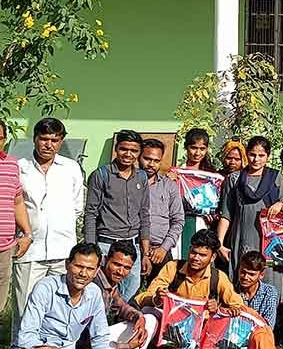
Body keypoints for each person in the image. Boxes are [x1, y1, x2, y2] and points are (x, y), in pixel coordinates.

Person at [135, 229, 244, 349]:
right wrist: (157, 299)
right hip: (170, 331)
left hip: (201, 337)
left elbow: (238, 307)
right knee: (149, 312)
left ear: (213, 257)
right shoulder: (172, 268)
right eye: (193, 252)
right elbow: (143, 298)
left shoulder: (218, 277)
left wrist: (218, 309)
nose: (196, 258)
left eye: (202, 255)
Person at [14, 118, 82, 336]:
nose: (48, 144)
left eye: (54, 140)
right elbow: (13, 205)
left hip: (62, 251)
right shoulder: (20, 167)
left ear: (61, 142)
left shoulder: (71, 168)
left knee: (58, 309)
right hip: (29, 251)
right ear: (34, 139)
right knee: (25, 308)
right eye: (44, 139)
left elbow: (77, 206)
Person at [83, 240, 159, 349]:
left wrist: (138, 318)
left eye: (126, 268)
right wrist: (127, 346)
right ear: (105, 260)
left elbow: (121, 306)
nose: (120, 271)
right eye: (116, 264)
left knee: (149, 320)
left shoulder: (109, 284)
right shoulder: (93, 286)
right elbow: (90, 342)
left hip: (99, 344)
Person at [84, 129, 150, 300]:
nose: (128, 154)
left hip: (133, 247)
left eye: (134, 150)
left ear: (139, 153)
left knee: (131, 293)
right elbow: (90, 213)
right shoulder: (101, 175)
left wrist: (145, 253)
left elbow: (144, 214)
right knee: (102, 295)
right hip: (106, 245)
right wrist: (91, 250)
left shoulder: (142, 177)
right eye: (123, 149)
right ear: (116, 148)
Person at [217, 135, 283, 281]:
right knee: (244, 277)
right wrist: (220, 243)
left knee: (269, 279)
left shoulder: (275, 177)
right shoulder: (234, 179)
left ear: (268, 156)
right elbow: (226, 214)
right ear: (246, 154)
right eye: (252, 155)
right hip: (243, 238)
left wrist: (280, 204)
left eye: (261, 155)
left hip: (269, 240)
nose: (256, 159)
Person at [1, 120, 33, 318]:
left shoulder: (11, 164)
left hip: (4, 248)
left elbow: (17, 201)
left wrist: (27, 234)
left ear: (4, 139)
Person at [140, 139, 183, 277]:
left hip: (161, 251)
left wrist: (164, 248)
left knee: (162, 289)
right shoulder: (130, 184)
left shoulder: (169, 186)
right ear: (139, 157)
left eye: (156, 161)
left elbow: (178, 221)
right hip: (134, 249)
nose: (151, 164)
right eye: (147, 159)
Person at [174, 129, 219, 259]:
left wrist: (213, 215)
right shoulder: (176, 173)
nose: (197, 153)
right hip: (179, 224)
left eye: (202, 149)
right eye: (193, 148)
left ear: (207, 149)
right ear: (186, 147)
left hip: (202, 225)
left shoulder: (212, 177)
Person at [236, 251, 278, 329]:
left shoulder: (269, 292)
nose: (245, 277)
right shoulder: (231, 290)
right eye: (242, 272)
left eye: (251, 274)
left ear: (261, 275)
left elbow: (268, 326)